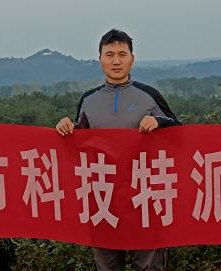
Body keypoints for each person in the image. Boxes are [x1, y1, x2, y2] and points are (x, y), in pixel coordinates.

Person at [56, 29, 180, 271]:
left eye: (122, 54)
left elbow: (180, 133)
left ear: (132, 59)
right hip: (104, 200)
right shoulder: (89, 100)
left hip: (144, 198)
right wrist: (66, 127)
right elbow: (78, 142)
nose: (116, 61)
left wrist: (159, 122)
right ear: (99, 59)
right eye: (109, 54)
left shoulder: (149, 96)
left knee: (149, 266)